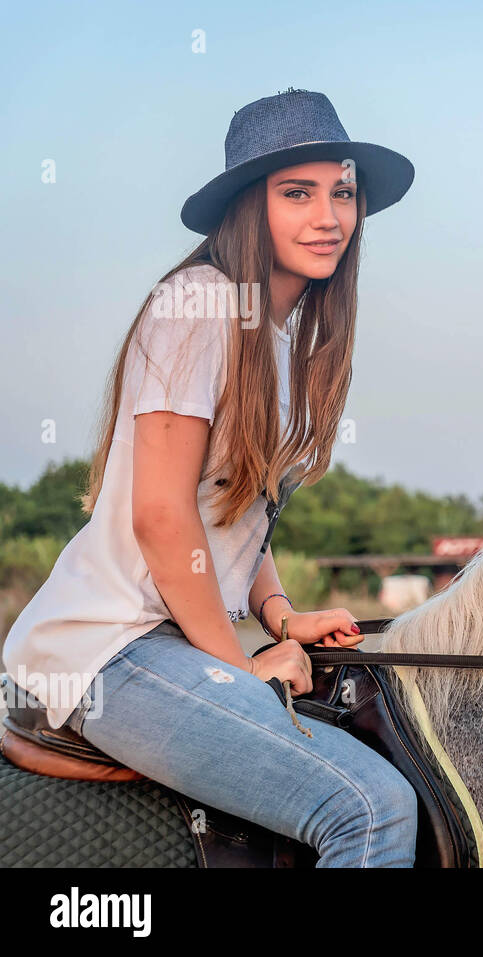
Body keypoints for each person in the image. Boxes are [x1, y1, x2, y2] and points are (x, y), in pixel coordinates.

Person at [3, 90, 419, 867]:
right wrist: (242, 670)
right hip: (113, 645)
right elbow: (163, 517)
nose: (328, 215)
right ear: (248, 208)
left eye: (343, 191)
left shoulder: (277, 341)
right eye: (298, 193)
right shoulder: (198, 303)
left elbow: (234, 512)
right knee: (372, 807)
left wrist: (280, 611)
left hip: (170, 638)